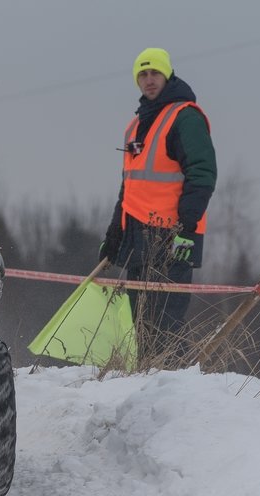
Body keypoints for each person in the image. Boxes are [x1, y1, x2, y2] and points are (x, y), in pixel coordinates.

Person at [99, 47, 217, 353]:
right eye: (143, 74)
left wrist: (186, 228)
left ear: (167, 75)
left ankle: (175, 380)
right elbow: (129, 187)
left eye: (155, 73)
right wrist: (115, 232)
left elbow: (202, 174)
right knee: (140, 319)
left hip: (172, 234)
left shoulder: (185, 117)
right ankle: (148, 380)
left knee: (166, 320)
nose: (149, 80)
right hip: (137, 233)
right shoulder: (136, 125)